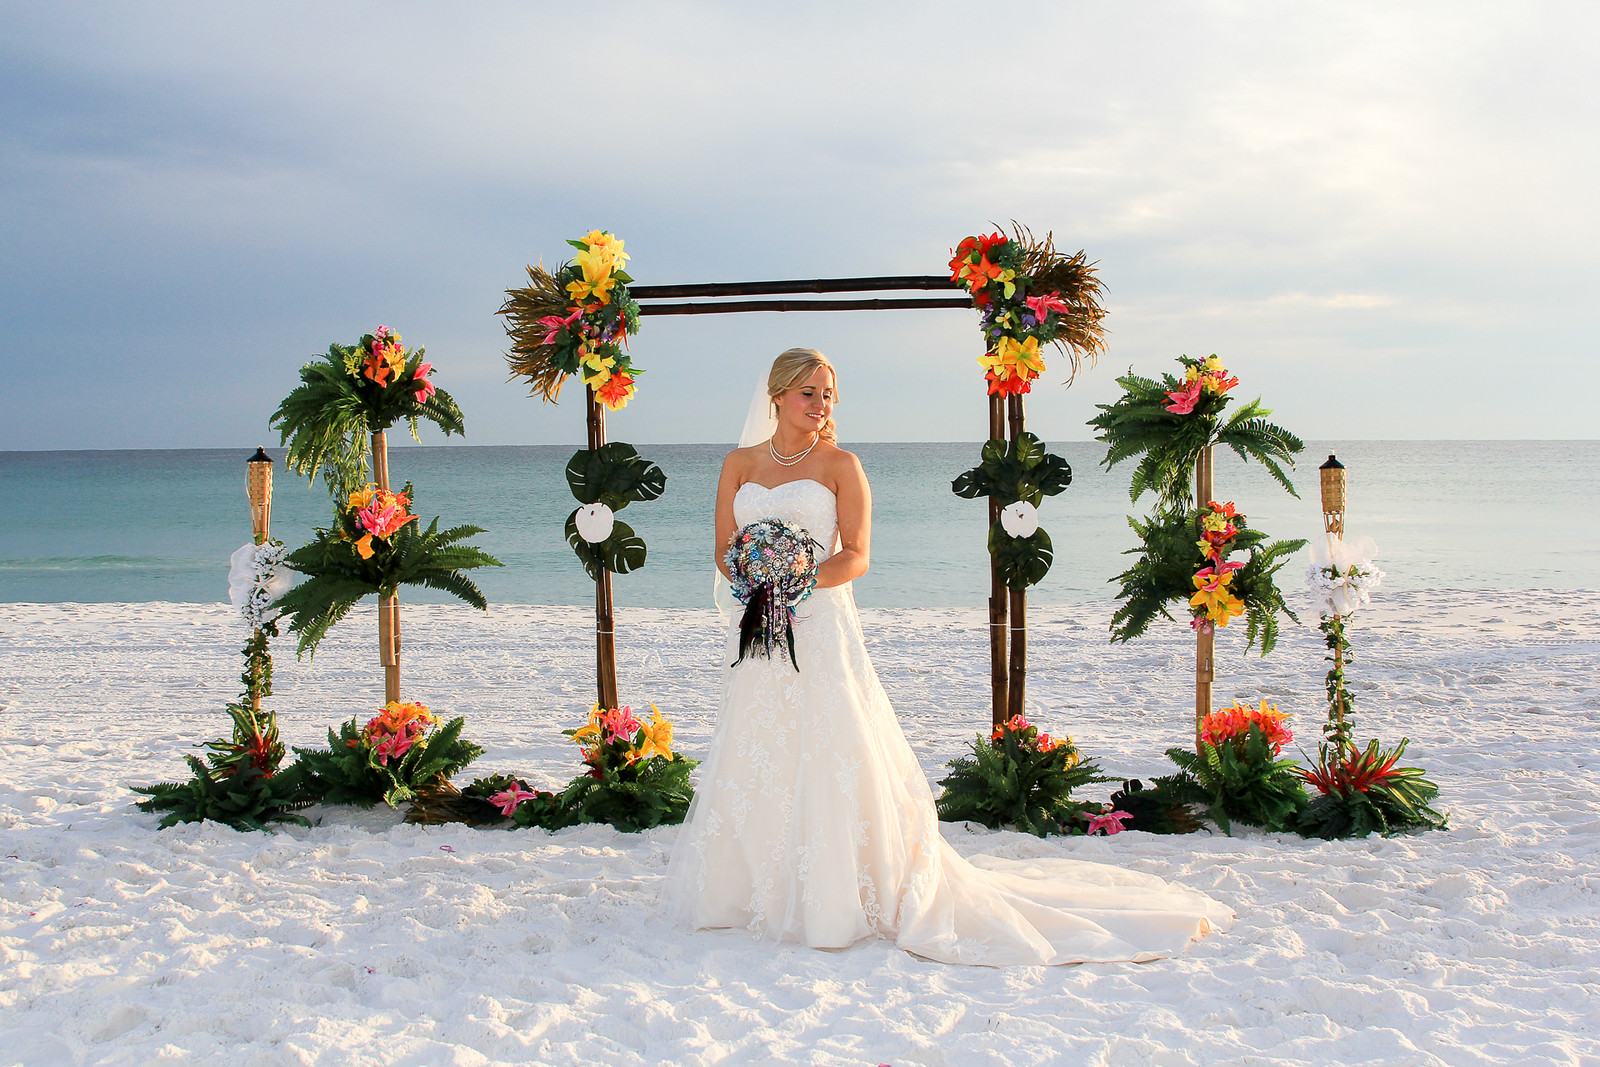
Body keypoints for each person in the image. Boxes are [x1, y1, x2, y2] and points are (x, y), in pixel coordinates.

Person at [664, 347, 1233, 965]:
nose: (820, 404)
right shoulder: (738, 465)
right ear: (776, 395)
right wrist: (758, 580)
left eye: (828, 393)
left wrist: (796, 577)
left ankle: (833, 895)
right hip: (759, 628)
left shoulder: (841, 465)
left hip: (820, 624)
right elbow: (724, 550)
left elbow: (856, 556)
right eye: (808, 392)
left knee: (830, 745)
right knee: (759, 742)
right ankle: (752, 889)